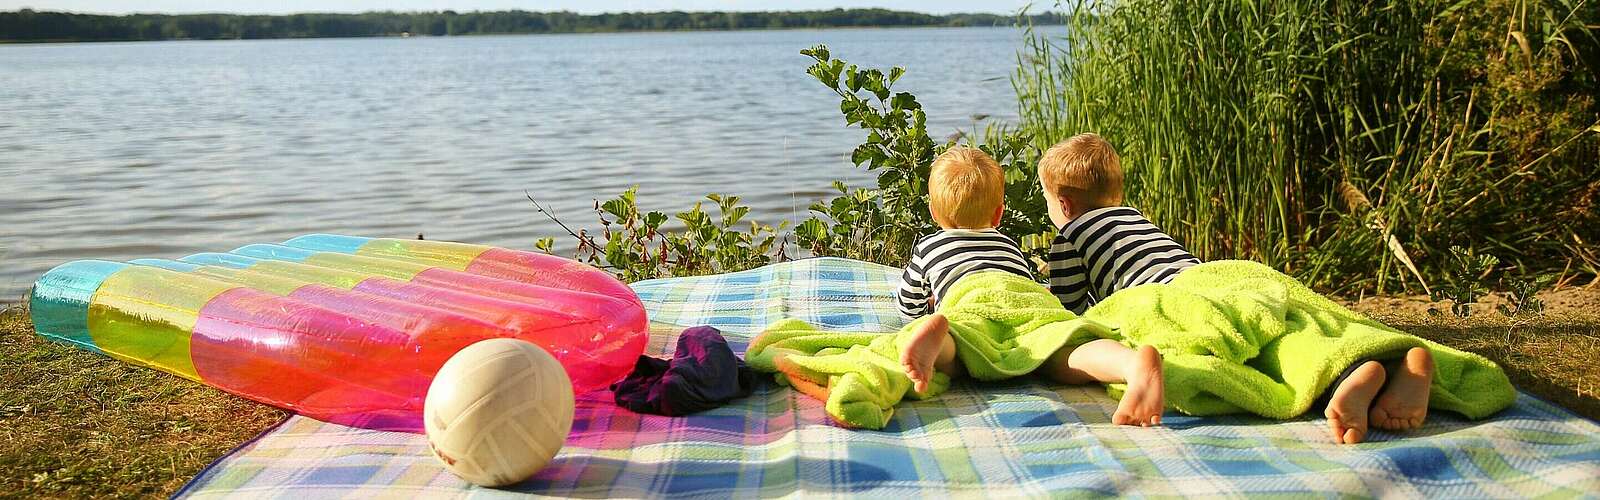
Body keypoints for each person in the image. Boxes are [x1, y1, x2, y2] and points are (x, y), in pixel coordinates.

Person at [1036, 133, 1435, 443]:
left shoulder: (1070, 235)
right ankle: (1358, 367)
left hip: (1166, 296)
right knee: (1280, 332)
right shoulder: (1135, 217)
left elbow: (1070, 313)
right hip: (1215, 276)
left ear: (1065, 206)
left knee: (1220, 352)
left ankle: (1349, 378)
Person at [895, 145, 1166, 427]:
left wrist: (920, 316)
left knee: (962, 353)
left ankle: (941, 339)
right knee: (1062, 352)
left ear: (933, 212)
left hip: (973, 302)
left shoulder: (929, 246)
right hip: (1029, 303)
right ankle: (1129, 364)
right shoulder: (1009, 246)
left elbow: (908, 304)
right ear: (999, 214)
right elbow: (1027, 284)